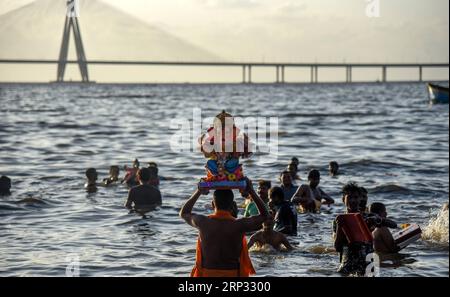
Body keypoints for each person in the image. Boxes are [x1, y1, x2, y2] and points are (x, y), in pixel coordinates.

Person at [180, 177, 269, 277]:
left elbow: (184, 213)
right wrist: (251, 191)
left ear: (213, 205)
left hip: (207, 274)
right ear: (232, 205)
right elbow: (265, 216)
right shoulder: (239, 225)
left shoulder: (202, 222)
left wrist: (199, 191)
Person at [333, 182, 373, 276]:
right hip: (348, 263)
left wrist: (378, 220)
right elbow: (337, 247)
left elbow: (392, 224)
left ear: (360, 199)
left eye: (355, 197)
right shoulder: (339, 219)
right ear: (343, 199)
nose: (353, 200)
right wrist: (340, 227)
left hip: (368, 263)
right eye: (349, 197)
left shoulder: (368, 217)